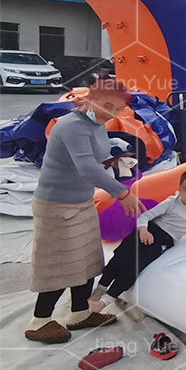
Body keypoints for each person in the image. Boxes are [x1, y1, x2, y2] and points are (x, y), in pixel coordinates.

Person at [26, 77, 146, 344]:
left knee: (87, 260)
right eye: (105, 105)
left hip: (81, 202)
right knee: (60, 263)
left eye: (117, 109)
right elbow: (86, 167)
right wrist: (122, 193)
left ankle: (79, 313)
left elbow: (95, 159)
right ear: (90, 98)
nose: (110, 112)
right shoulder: (72, 126)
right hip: (56, 206)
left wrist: (117, 161)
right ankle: (40, 320)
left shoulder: (97, 124)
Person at [90, 169, 186, 311]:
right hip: (149, 229)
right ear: (179, 189)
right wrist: (143, 230)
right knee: (121, 256)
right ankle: (101, 288)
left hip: (165, 240)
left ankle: (106, 300)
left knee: (134, 266)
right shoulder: (171, 202)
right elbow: (145, 216)